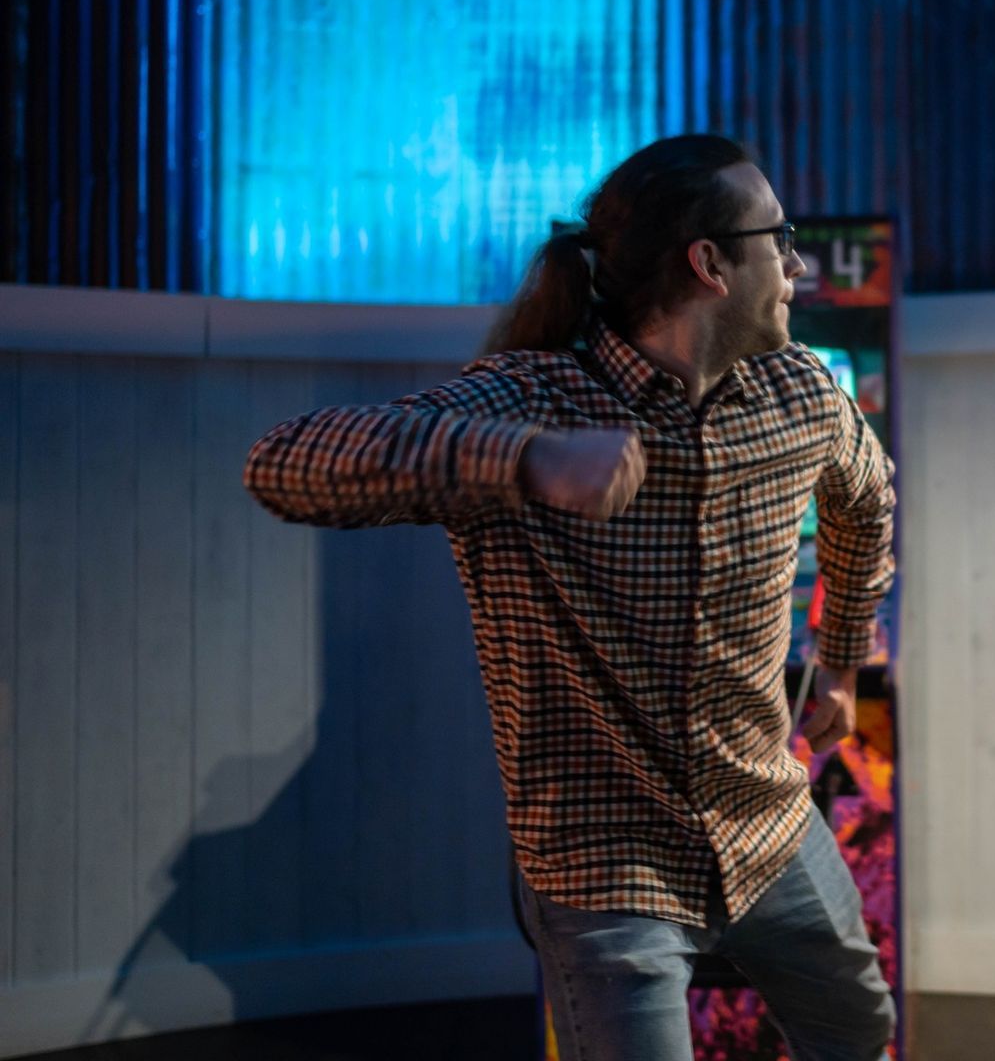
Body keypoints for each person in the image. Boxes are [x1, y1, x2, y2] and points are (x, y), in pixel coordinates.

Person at [243, 135, 898, 1061]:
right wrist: (526, 460)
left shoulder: (799, 395)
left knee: (861, 1031)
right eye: (777, 238)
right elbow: (283, 463)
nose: (795, 264)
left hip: (767, 825)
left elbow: (866, 498)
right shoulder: (531, 398)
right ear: (709, 264)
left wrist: (840, 658)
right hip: (605, 862)